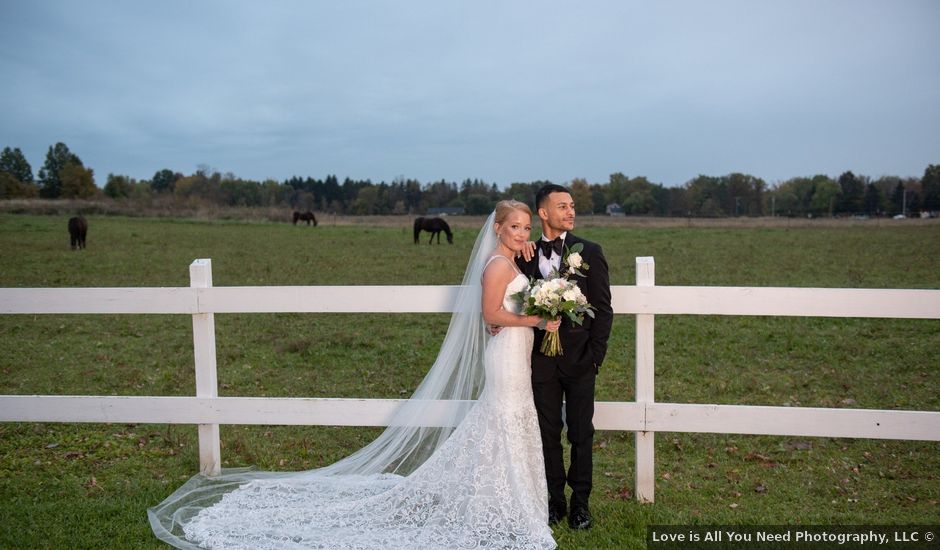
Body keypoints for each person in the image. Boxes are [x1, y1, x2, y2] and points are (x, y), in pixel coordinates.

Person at [149, 200, 560, 549]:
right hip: (507, 353)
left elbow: (502, 313)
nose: (522, 234)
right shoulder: (497, 266)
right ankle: (502, 501)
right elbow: (490, 313)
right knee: (503, 417)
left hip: (513, 347)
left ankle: (498, 500)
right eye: (515, 227)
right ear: (498, 227)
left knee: (506, 418)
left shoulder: (510, 259)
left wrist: (523, 307)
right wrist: (538, 321)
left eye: (526, 227)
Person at [514, 184, 613, 530]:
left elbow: (603, 308)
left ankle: (580, 504)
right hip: (541, 359)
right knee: (547, 432)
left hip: (581, 359)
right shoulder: (523, 254)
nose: (570, 211)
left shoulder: (589, 251)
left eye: (572, 206)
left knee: (581, 433)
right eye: (562, 206)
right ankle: (553, 502)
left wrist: (595, 356)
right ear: (543, 213)